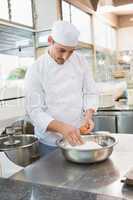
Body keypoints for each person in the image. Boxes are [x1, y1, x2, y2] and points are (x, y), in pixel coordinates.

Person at [25, 20, 99, 156]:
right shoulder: (36, 69)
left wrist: (88, 116)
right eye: (62, 50)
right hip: (49, 143)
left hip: (77, 138)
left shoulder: (80, 61)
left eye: (71, 52)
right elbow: (34, 111)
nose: (66, 57)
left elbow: (90, 92)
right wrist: (62, 128)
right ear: (50, 41)